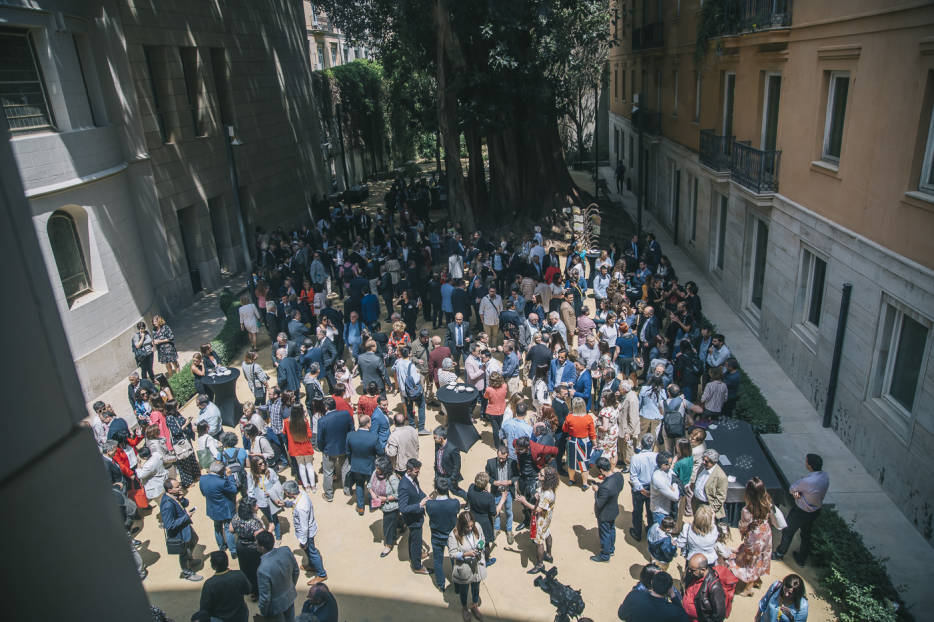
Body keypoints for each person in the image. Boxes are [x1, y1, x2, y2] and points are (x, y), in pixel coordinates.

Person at [773, 453, 829, 567]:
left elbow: (792, 489)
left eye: (806, 461)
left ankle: (779, 553)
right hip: (815, 511)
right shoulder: (825, 476)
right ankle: (801, 558)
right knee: (806, 534)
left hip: (801, 511)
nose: (805, 463)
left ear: (810, 466)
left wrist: (798, 492)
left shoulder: (808, 481)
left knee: (788, 532)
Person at [729, 477, 777, 595]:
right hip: (765, 534)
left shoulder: (747, 510)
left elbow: (743, 527)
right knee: (762, 557)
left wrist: (743, 533)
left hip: (754, 538)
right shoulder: (768, 501)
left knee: (751, 561)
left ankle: (748, 588)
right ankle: (757, 579)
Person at [282, 480, 328, 586]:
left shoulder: (301, 507)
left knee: (312, 552)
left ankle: (321, 574)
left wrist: (303, 541)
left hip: (307, 534)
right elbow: (294, 503)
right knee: (308, 551)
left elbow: (304, 527)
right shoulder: (301, 494)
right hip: (307, 531)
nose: (284, 494)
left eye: (285, 492)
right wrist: (286, 504)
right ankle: (312, 565)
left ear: (290, 493)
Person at [517, 466, 559, 574]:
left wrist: (525, 502)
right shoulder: (548, 487)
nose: (538, 475)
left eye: (541, 475)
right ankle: (548, 555)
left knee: (539, 542)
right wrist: (538, 495)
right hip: (547, 517)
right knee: (547, 533)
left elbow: (539, 509)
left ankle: (540, 564)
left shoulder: (547, 494)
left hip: (541, 519)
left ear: (547, 478)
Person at [448, 510, 488, 622]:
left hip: (477, 565)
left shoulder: (478, 527)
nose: (470, 529)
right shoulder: (454, 535)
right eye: (467, 527)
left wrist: (480, 547)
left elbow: (483, 539)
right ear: (461, 525)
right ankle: (464, 608)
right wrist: (465, 554)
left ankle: (474, 606)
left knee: (476, 587)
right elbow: (452, 553)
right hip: (464, 567)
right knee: (464, 589)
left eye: (471, 526)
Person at [160, 478, 202, 581]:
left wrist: (182, 498)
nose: (180, 487)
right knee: (183, 552)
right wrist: (186, 516)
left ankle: (190, 559)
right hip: (179, 533)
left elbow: (185, 504)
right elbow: (169, 525)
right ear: (169, 490)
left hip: (185, 528)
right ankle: (187, 573)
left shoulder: (174, 496)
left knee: (194, 539)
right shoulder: (167, 504)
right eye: (177, 486)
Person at [192, 550, 252, 622]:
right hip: (240, 616)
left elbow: (204, 608)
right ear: (227, 562)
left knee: (196, 617)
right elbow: (248, 590)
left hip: (221, 619)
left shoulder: (209, 584)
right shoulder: (239, 574)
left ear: (213, 566)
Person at [425, 476, 461, 592]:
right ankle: (457, 584)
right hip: (452, 536)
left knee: (437, 560)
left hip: (436, 536)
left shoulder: (430, 505)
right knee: (454, 560)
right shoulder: (454, 503)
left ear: (436, 489)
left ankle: (441, 584)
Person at [256, 530, 300, 622]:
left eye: (257, 543)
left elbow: (265, 597)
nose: (256, 544)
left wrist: (264, 612)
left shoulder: (262, 569)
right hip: (289, 595)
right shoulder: (286, 550)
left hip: (275, 606)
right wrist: (291, 586)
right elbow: (296, 571)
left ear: (262, 548)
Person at [317, 397, 354, 502]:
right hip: (344, 447)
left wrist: (322, 449)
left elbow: (320, 439)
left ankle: (329, 495)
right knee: (346, 468)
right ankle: (347, 490)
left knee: (328, 472)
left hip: (329, 450)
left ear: (326, 407)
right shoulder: (346, 414)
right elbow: (352, 430)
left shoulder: (322, 421)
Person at [199, 461, 240, 558]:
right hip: (225, 510)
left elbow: (203, 493)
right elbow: (233, 490)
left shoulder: (203, 479)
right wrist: (230, 476)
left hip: (212, 509)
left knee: (217, 528)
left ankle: (221, 547)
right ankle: (233, 551)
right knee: (228, 529)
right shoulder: (222, 482)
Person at [230, 497, 267, 600]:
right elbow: (259, 537)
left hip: (241, 546)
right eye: (255, 505)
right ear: (250, 509)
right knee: (256, 570)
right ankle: (257, 592)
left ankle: (249, 589)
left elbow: (231, 529)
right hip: (253, 549)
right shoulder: (254, 522)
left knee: (245, 569)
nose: (257, 506)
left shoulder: (236, 517)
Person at [398, 458, 430, 575]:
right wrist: (419, 505)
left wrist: (425, 497)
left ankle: (415, 555)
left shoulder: (413, 478)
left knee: (414, 538)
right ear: (408, 470)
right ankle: (417, 566)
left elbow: (418, 491)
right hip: (413, 518)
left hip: (417, 515)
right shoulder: (404, 486)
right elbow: (403, 508)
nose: (418, 473)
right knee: (416, 540)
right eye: (416, 471)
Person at [618, 570, 689, 622]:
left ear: (651, 582)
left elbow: (621, 615)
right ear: (669, 589)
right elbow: (684, 618)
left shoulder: (634, 595)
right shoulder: (673, 611)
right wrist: (673, 596)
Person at [591, 456, 624, 562]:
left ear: (601, 470)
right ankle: (611, 549)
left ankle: (605, 555)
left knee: (604, 533)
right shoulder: (619, 476)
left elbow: (599, 503)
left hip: (604, 513)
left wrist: (596, 490)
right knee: (611, 529)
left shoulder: (605, 487)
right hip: (613, 509)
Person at [346, 414, 382, 514]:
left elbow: (348, 452)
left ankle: (361, 507)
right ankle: (372, 506)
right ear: (368, 424)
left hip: (356, 466)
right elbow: (380, 452)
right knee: (372, 486)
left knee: (359, 485)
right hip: (370, 467)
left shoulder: (350, 435)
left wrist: (351, 462)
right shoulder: (373, 437)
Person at [246, 456, 285, 542]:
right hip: (260, 501)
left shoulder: (270, 471)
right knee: (269, 518)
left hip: (271, 499)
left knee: (274, 518)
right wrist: (253, 503)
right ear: (255, 466)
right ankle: (272, 531)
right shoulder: (251, 475)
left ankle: (278, 537)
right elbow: (250, 490)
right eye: (260, 464)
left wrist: (272, 492)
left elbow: (277, 483)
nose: (263, 464)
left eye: (263, 462)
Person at [368, 456, 401, 557]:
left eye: (379, 468)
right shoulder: (375, 473)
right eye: (376, 467)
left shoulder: (392, 478)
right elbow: (369, 485)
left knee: (387, 527)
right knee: (393, 522)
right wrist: (374, 495)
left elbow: (398, 494)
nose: (377, 470)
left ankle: (388, 545)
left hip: (391, 507)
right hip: (381, 504)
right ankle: (401, 524)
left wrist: (384, 499)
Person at [628, 433, 658, 541]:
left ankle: (637, 533)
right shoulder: (657, 456)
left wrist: (641, 489)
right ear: (653, 444)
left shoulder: (635, 458)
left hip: (639, 490)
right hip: (653, 489)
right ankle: (650, 532)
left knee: (637, 512)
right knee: (651, 512)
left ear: (641, 444)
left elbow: (633, 477)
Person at [485, 445, 517, 545]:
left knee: (508, 511)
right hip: (496, 492)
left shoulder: (513, 463)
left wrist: (510, 481)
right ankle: (497, 528)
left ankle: (509, 530)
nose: (501, 460)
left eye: (503, 458)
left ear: (507, 456)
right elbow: (487, 476)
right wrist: (493, 482)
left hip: (508, 492)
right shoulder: (490, 462)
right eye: (499, 458)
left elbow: (517, 476)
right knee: (496, 511)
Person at [562, 397, 596, 489]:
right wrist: (595, 444)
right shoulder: (588, 418)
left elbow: (564, 429)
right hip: (584, 442)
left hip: (572, 441)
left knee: (571, 461)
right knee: (584, 463)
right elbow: (592, 433)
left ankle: (571, 479)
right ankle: (585, 483)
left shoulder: (569, 417)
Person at [682, 553, 727, 622]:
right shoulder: (693, 574)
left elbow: (719, 615)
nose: (689, 571)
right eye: (689, 568)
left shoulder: (715, 587)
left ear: (703, 570)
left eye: (692, 570)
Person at [394, 346, 429, 434]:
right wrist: (418, 372)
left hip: (404, 391)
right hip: (413, 391)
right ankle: (421, 428)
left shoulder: (397, 363)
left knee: (409, 408)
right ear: (409, 354)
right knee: (421, 406)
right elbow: (416, 380)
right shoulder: (411, 365)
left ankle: (412, 426)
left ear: (401, 354)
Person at [466, 471, 498, 564]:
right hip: (485, 522)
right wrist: (502, 500)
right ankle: (486, 560)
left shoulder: (471, 488)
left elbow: (468, 496)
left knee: (473, 538)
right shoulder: (489, 497)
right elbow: (493, 512)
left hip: (473, 518)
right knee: (486, 542)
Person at [689, 449, 728, 521]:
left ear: (714, 462)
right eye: (703, 459)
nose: (703, 462)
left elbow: (721, 497)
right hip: (696, 502)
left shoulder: (721, 476)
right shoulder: (702, 467)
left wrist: (710, 510)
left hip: (707, 507)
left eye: (706, 461)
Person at [283, 405, 316, 492]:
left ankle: (306, 486)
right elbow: (309, 435)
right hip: (306, 446)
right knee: (309, 466)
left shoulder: (286, 421)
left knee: (301, 466)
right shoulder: (304, 421)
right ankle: (313, 486)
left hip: (295, 448)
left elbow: (284, 432)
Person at [433, 426, 465, 499]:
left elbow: (457, 465)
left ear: (441, 438)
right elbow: (437, 458)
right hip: (440, 475)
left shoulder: (453, 448)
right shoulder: (437, 444)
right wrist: (436, 474)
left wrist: (452, 479)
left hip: (449, 477)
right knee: (443, 493)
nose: (434, 439)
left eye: (435, 438)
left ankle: (468, 499)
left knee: (455, 491)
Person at [650, 451, 681, 526]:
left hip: (666, 507)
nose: (671, 466)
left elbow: (672, 473)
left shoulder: (666, 470)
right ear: (663, 465)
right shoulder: (657, 478)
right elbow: (675, 496)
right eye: (669, 464)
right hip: (660, 512)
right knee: (660, 533)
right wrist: (674, 484)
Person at [483, 371, 509, 442]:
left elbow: (485, 397)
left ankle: (497, 445)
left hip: (492, 412)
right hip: (502, 410)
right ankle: (502, 441)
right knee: (501, 427)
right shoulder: (504, 386)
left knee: (495, 429)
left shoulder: (489, 389)